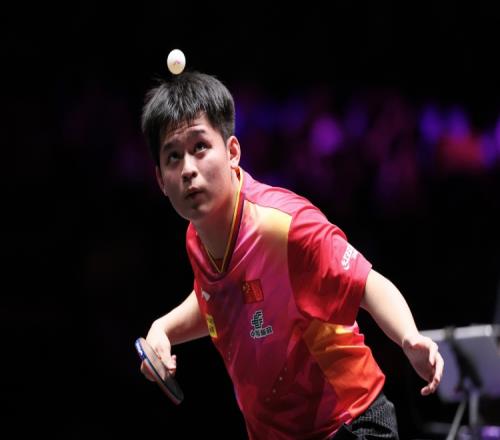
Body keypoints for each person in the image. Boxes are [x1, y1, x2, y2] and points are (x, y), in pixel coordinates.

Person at [139, 71, 444, 439]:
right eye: (173, 157)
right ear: (161, 180)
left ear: (232, 152)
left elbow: (367, 283)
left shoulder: (284, 226)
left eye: (200, 147)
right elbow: (216, 299)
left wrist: (409, 337)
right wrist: (163, 329)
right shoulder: (197, 237)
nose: (188, 169)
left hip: (349, 423)